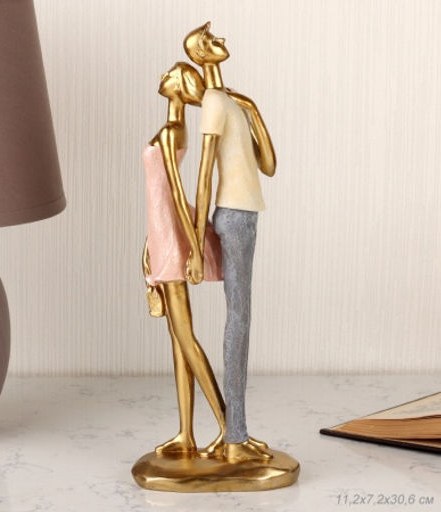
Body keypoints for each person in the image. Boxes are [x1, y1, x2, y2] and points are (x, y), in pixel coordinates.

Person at [184, 23, 277, 462]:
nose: (222, 41)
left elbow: (269, 166)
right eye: (212, 40)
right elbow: (203, 175)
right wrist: (194, 243)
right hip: (234, 216)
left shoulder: (232, 102)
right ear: (203, 54)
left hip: (246, 213)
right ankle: (234, 435)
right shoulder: (212, 103)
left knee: (243, 316)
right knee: (239, 318)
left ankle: (237, 432)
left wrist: (253, 109)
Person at [142, 62, 226, 455]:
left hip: (171, 239)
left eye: (170, 74)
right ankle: (186, 434)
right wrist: (148, 245)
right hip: (162, 236)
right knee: (178, 341)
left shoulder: (171, 131)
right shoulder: (174, 129)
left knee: (186, 338)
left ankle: (227, 426)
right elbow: (161, 196)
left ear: (179, 86)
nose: (163, 76)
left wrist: (192, 248)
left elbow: (176, 194)